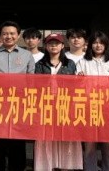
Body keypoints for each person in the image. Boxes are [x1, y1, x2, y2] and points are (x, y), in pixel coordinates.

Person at [0, 21, 35, 171]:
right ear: (0, 36)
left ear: (18, 35)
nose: (8, 36)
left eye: (12, 33)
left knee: (18, 144)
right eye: (5, 33)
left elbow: (31, 82)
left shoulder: (27, 55)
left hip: (19, 106)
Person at [34, 33, 82, 170]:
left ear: (62, 46)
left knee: (66, 135)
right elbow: (36, 85)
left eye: (57, 43)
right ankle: (46, 166)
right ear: (46, 46)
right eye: (50, 43)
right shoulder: (39, 64)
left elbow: (75, 85)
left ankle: (67, 165)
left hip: (66, 105)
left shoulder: (70, 64)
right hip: (46, 106)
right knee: (46, 136)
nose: (53, 46)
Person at [76, 31, 109, 171]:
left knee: (108, 142)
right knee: (89, 143)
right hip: (89, 106)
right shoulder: (82, 62)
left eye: (101, 43)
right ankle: (90, 168)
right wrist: (79, 78)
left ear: (106, 45)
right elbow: (76, 85)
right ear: (90, 45)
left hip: (108, 107)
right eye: (95, 43)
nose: (98, 46)